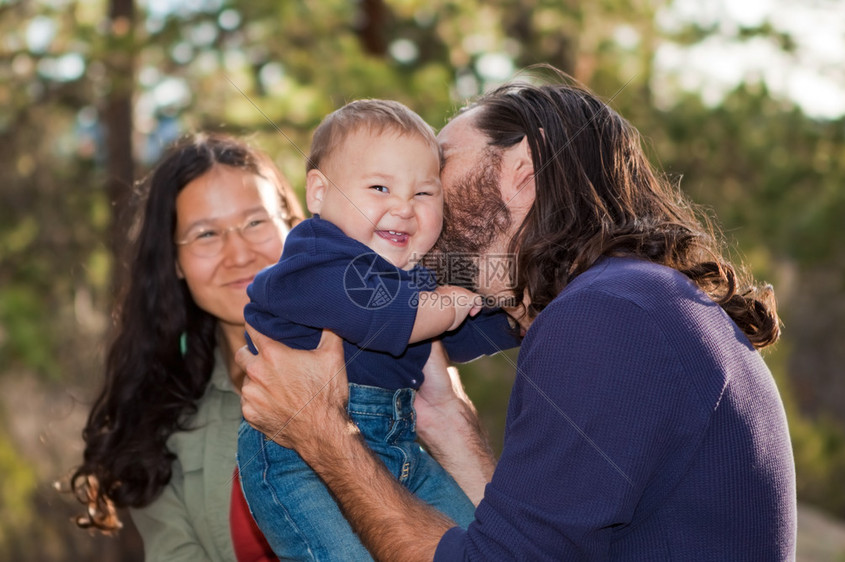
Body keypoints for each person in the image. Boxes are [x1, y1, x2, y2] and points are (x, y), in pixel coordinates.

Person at [236, 69, 797, 561]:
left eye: (439, 164)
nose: (414, 197)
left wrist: (320, 433)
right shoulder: (637, 305)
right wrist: (447, 421)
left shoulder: (610, 314)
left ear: (523, 170)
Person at [238, 99, 520, 560]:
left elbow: (454, 334)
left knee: (473, 544)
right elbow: (382, 314)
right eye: (379, 187)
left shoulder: (411, 275)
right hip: (296, 458)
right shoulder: (313, 258)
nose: (404, 208)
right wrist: (450, 303)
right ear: (319, 193)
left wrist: (521, 312)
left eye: (424, 194)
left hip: (399, 443)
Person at [70, 133, 304, 561]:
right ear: (174, 263)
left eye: (256, 222)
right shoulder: (159, 421)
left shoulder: (383, 359)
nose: (238, 254)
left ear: (292, 224)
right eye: (206, 234)